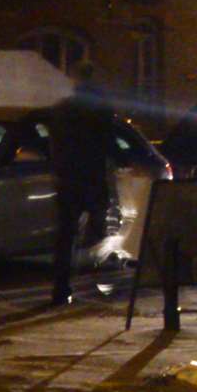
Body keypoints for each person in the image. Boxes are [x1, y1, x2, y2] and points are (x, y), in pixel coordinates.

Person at [48, 61, 115, 305]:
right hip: (92, 177)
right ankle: (97, 284)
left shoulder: (62, 110)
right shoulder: (100, 108)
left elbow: (54, 146)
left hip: (68, 179)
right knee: (98, 232)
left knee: (65, 235)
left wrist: (58, 169)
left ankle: (61, 287)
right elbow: (109, 142)